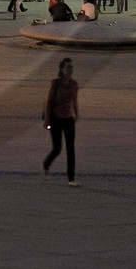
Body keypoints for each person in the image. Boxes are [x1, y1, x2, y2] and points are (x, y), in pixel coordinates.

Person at [40, 57, 80, 186]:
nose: (70, 70)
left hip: (69, 119)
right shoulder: (55, 83)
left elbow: (75, 100)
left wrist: (76, 114)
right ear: (62, 69)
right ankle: (46, 164)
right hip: (56, 118)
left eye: (72, 67)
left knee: (70, 149)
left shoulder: (74, 84)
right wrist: (46, 120)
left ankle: (71, 178)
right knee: (57, 148)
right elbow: (48, 102)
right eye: (68, 67)